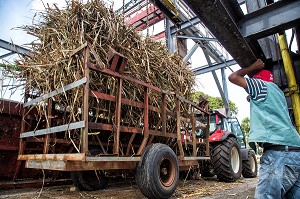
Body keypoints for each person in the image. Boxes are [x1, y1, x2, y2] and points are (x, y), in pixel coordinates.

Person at [228, 59, 300, 199]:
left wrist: (251, 67)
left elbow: (233, 77)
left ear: (257, 80)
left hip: (278, 154)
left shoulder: (260, 85)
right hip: (295, 150)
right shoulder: (278, 93)